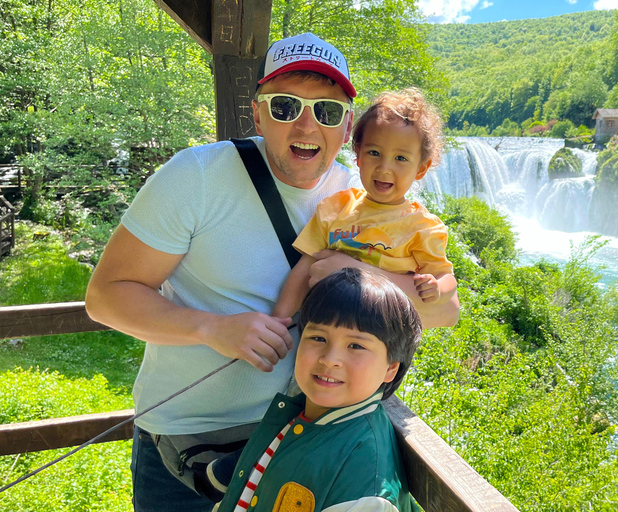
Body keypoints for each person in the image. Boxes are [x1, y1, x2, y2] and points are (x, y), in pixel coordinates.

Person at [84, 32, 459, 512]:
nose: (306, 125)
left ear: (347, 128)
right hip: (186, 450)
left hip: (303, 442)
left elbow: (443, 310)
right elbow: (106, 297)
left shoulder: (364, 198)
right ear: (258, 113)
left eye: (326, 110)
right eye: (285, 107)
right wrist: (212, 328)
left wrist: (348, 269)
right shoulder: (196, 177)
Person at [196, 268, 420, 512]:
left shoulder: (366, 482)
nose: (330, 358)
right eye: (318, 338)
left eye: (355, 345)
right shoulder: (301, 413)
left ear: (391, 369)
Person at [273, 88, 456, 319]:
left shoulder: (423, 228)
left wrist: (438, 289)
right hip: (325, 325)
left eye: (401, 158)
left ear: (420, 169)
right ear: (358, 155)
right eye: (374, 152)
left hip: (381, 335)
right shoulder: (335, 208)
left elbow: (446, 278)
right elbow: (304, 269)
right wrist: (279, 319)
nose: (384, 168)